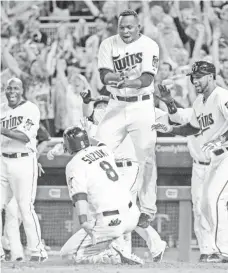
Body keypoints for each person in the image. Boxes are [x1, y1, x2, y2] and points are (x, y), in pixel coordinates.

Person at [48, 94, 167, 263]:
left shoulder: (129, 115)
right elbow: (84, 133)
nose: (101, 109)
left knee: (118, 209)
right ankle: (150, 245)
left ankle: (124, 251)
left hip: (128, 166)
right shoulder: (99, 134)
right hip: (112, 170)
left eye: (104, 105)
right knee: (125, 209)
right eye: (99, 107)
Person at [152, 61, 228, 262]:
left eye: (199, 77)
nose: (195, 81)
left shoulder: (222, 96)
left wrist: (221, 140)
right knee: (204, 205)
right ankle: (212, 251)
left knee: (213, 199)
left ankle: (224, 251)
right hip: (210, 161)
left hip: (225, 156)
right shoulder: (199, 102)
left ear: (211, 76)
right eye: (193, 77)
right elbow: (192, 128)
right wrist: (172, 130)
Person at [96, 9, 160, 228]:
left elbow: (146, 78)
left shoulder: (149, 45)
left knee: (147, 156)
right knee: (98, 151)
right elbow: (104, 75)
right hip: (116, 104)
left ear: (138, 27)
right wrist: (117, 78)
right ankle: (103, 201)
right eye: (122, 27)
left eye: (129, 27)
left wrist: (127, 82)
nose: (125, 31)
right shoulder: (108, 44)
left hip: (141, 104)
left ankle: (148, 209)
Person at [59, 126, 144, 265]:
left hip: (110, 221)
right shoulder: (105, 151)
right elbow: (99, 143)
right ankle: (115, 248)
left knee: (67, 255)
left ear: (68, 145)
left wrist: (83, 222)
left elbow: (80, 196)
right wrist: (86, 136)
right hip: (132, 215)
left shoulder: (73, 164)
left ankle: (112, 256)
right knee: (100, 220)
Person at [0, 77, 47, 262]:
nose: (12, 91)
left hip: (23, 161)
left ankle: (37, 250)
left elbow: (24, 137)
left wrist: (3, 130)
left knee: (25, 208)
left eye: (16, 88)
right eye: (9, 88)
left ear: (22, 90)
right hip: (3, 160)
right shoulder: (1, 109)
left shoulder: (30, 109)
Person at [2, 122, 51, 261]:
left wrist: (33, 157)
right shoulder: (4, 114)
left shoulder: (27, 115)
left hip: (21, 165)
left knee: (19, 210)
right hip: (4, 165)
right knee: (12, 210)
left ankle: (11, 247)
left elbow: (45, 138)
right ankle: (11, 249)